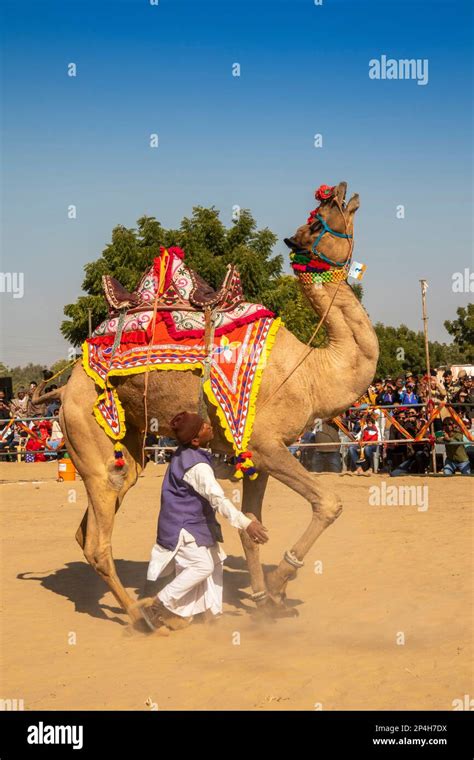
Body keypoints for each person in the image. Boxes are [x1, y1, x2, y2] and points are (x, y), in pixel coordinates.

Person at [140, 411, 268, 633]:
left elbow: (213, 473)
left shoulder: (189, 454)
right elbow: (217, 499)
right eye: (203, 427)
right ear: (196, 439)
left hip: (195, 523)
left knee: (216, 561)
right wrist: (246, 523)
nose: (210, 426)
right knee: (203, 566)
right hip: (183, 526)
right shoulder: (197, 466)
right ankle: (158, 605)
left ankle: (213, 614)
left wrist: (238, 466)